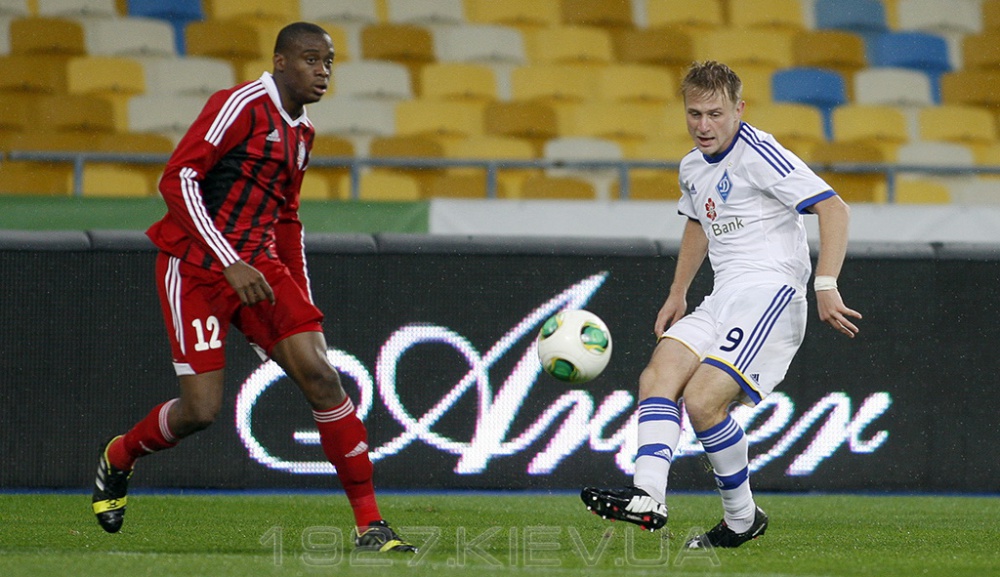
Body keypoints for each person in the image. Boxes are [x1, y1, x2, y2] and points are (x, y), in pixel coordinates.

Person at [91, 22, 415, 553]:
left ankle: (370, 525)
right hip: (194, 267)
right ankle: (120, 455)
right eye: (311, 59)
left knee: (323, 378)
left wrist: (300, 299)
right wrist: (228, 261)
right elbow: (177, 179)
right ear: (280, 61)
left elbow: (287, 219)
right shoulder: (239, 105)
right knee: (200, 411)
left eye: (329, 62)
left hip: (259, 268)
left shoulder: (303, 134)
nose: (322, 72)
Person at [581, 61, 862, 549]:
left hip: (771, 293)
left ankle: (740, 518)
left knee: (702, 400)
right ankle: (648, 496)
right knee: (658, 374)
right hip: (722, 295)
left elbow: (833, 207)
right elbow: (698, 223)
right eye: (694, 114)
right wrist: (677, 293)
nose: (703, 125)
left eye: (715, 114)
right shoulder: (692, 166)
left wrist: (826, 283)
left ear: (738, 110)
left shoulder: (760, 153)